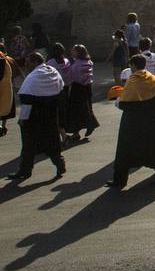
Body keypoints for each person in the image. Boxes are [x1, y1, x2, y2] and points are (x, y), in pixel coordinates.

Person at [105, 54, 155, 188]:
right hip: (150, 120)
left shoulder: (132, 81)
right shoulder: (151, 78)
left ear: (133, 66)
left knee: (125, 151)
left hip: (132, 122)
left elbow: (124, 102)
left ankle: (120, 181)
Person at [7, 54, 66, 182]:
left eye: (28, 62)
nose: (26, 65)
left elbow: (27, 100)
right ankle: (60, 164)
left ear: (35, 62)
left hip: (34, 119)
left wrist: (22, 119)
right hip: (50, 116)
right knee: (52, 142)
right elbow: (61, 89)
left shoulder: (33, 77)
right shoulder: (53, 71)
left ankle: (25, 170)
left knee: (29, 144)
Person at [65, 45, 99, 143]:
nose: (72, 52)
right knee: (87, 107)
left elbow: (71, 77)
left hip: (77, 88)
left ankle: (80, 129)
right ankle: (84, 127)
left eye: (74, 51)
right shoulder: (88, 62)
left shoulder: (77, 65)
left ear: (78, 53)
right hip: (87, 87)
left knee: (75, 110)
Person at [0, 44, 16, 139]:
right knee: (5, 108)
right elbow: (15, 72)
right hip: (8, 87)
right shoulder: (9, 60)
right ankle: (3, 125)